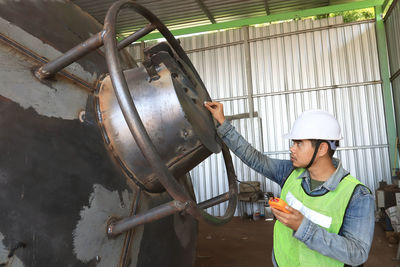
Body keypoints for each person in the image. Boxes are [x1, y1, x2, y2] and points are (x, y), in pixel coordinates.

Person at [204, 101, 375, 267]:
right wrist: (222, 123)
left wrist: (303, 227)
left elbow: (357, 253)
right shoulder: (291, 173)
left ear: (322, 149)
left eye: (299, 143)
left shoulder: (356, 195)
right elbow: (255, 158)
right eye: (293, 143)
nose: (292, 149)